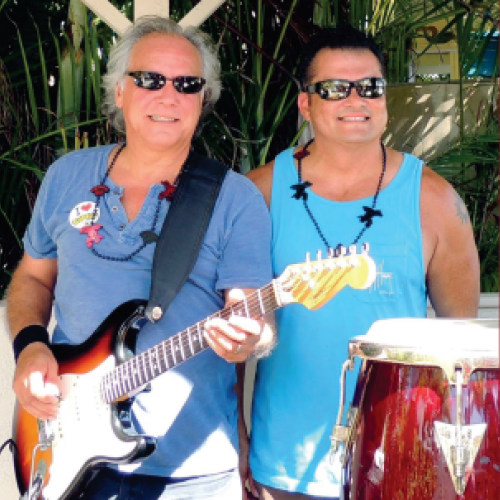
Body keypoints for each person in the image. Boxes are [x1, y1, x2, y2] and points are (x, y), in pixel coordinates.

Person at [8, 16, 274, 500]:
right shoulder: (67, 176)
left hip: (190, 471)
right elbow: (32, 277)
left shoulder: (235, 198)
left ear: (203, 101)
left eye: (187, 84)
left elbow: (248, 313)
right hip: (66, 454)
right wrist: (29, 347)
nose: (168, 96)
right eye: (149, 79)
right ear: (120, 92)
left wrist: (245, 340)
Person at [245, 24, 480, 500]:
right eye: (334, 89)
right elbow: (233, 328)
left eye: (370, 87)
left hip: (399, 461)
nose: (356, 100)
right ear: (305, 104)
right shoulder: (259, 193)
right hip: (284, 465)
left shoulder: (434, 200)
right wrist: (237, 439)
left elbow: (462, 353)